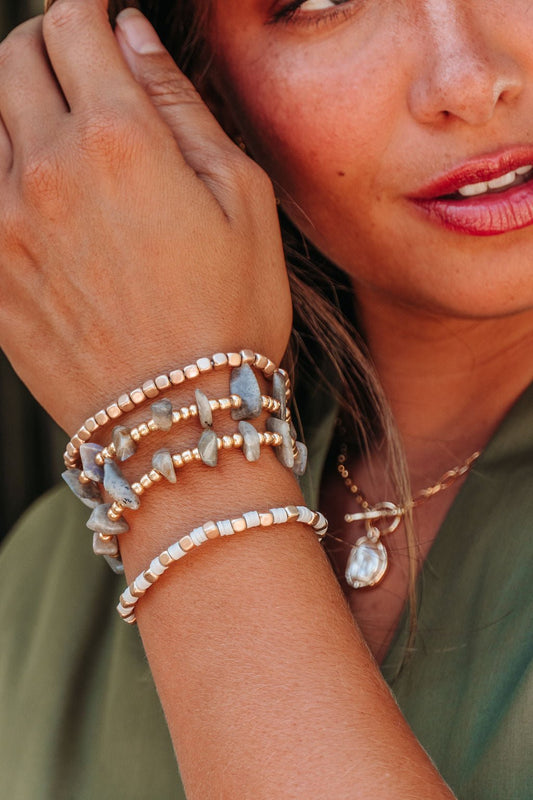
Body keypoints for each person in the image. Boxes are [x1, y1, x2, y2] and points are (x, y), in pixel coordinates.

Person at [0, 0, 531, 797]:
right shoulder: (47, 596)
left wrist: (186, 465)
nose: (467, 80)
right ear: (195, 88)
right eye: (319, 0)